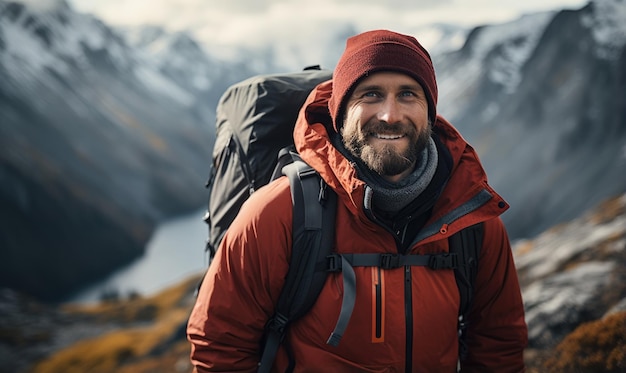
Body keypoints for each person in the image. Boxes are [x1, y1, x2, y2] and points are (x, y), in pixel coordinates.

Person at [187, 29, 528, 372]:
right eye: (371, 95)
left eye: (408, 94)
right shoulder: (280, 213)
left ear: (430, 112)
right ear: (341, 111)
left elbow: (499, 343)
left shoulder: (469, 219)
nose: (390, 115)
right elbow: (220, 344)